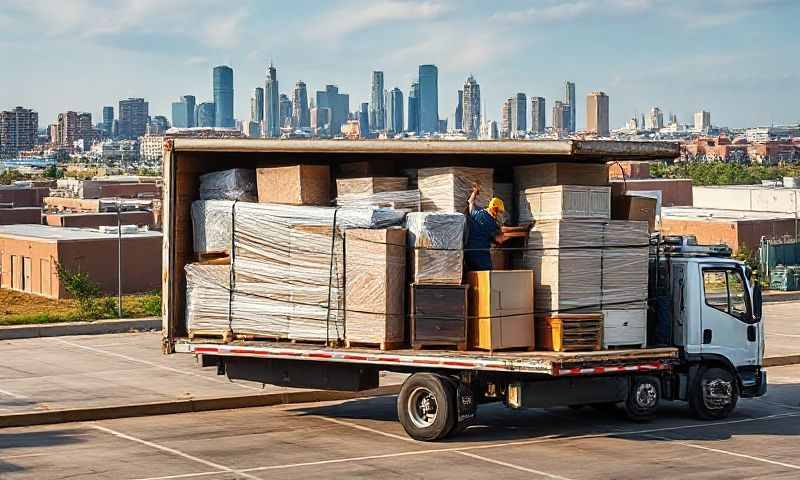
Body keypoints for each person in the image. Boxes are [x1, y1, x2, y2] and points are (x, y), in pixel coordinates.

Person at [464, 183, 508, 271]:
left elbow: (470, 202)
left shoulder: (477, 212)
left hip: (468, 252)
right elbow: (499, 239)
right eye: (500, 212)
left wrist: (475, 192)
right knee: (486, 278)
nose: (500, 215)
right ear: (495, 210)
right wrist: (511, 235)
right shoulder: (492, 224)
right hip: (481, 256)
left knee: (472, 277)